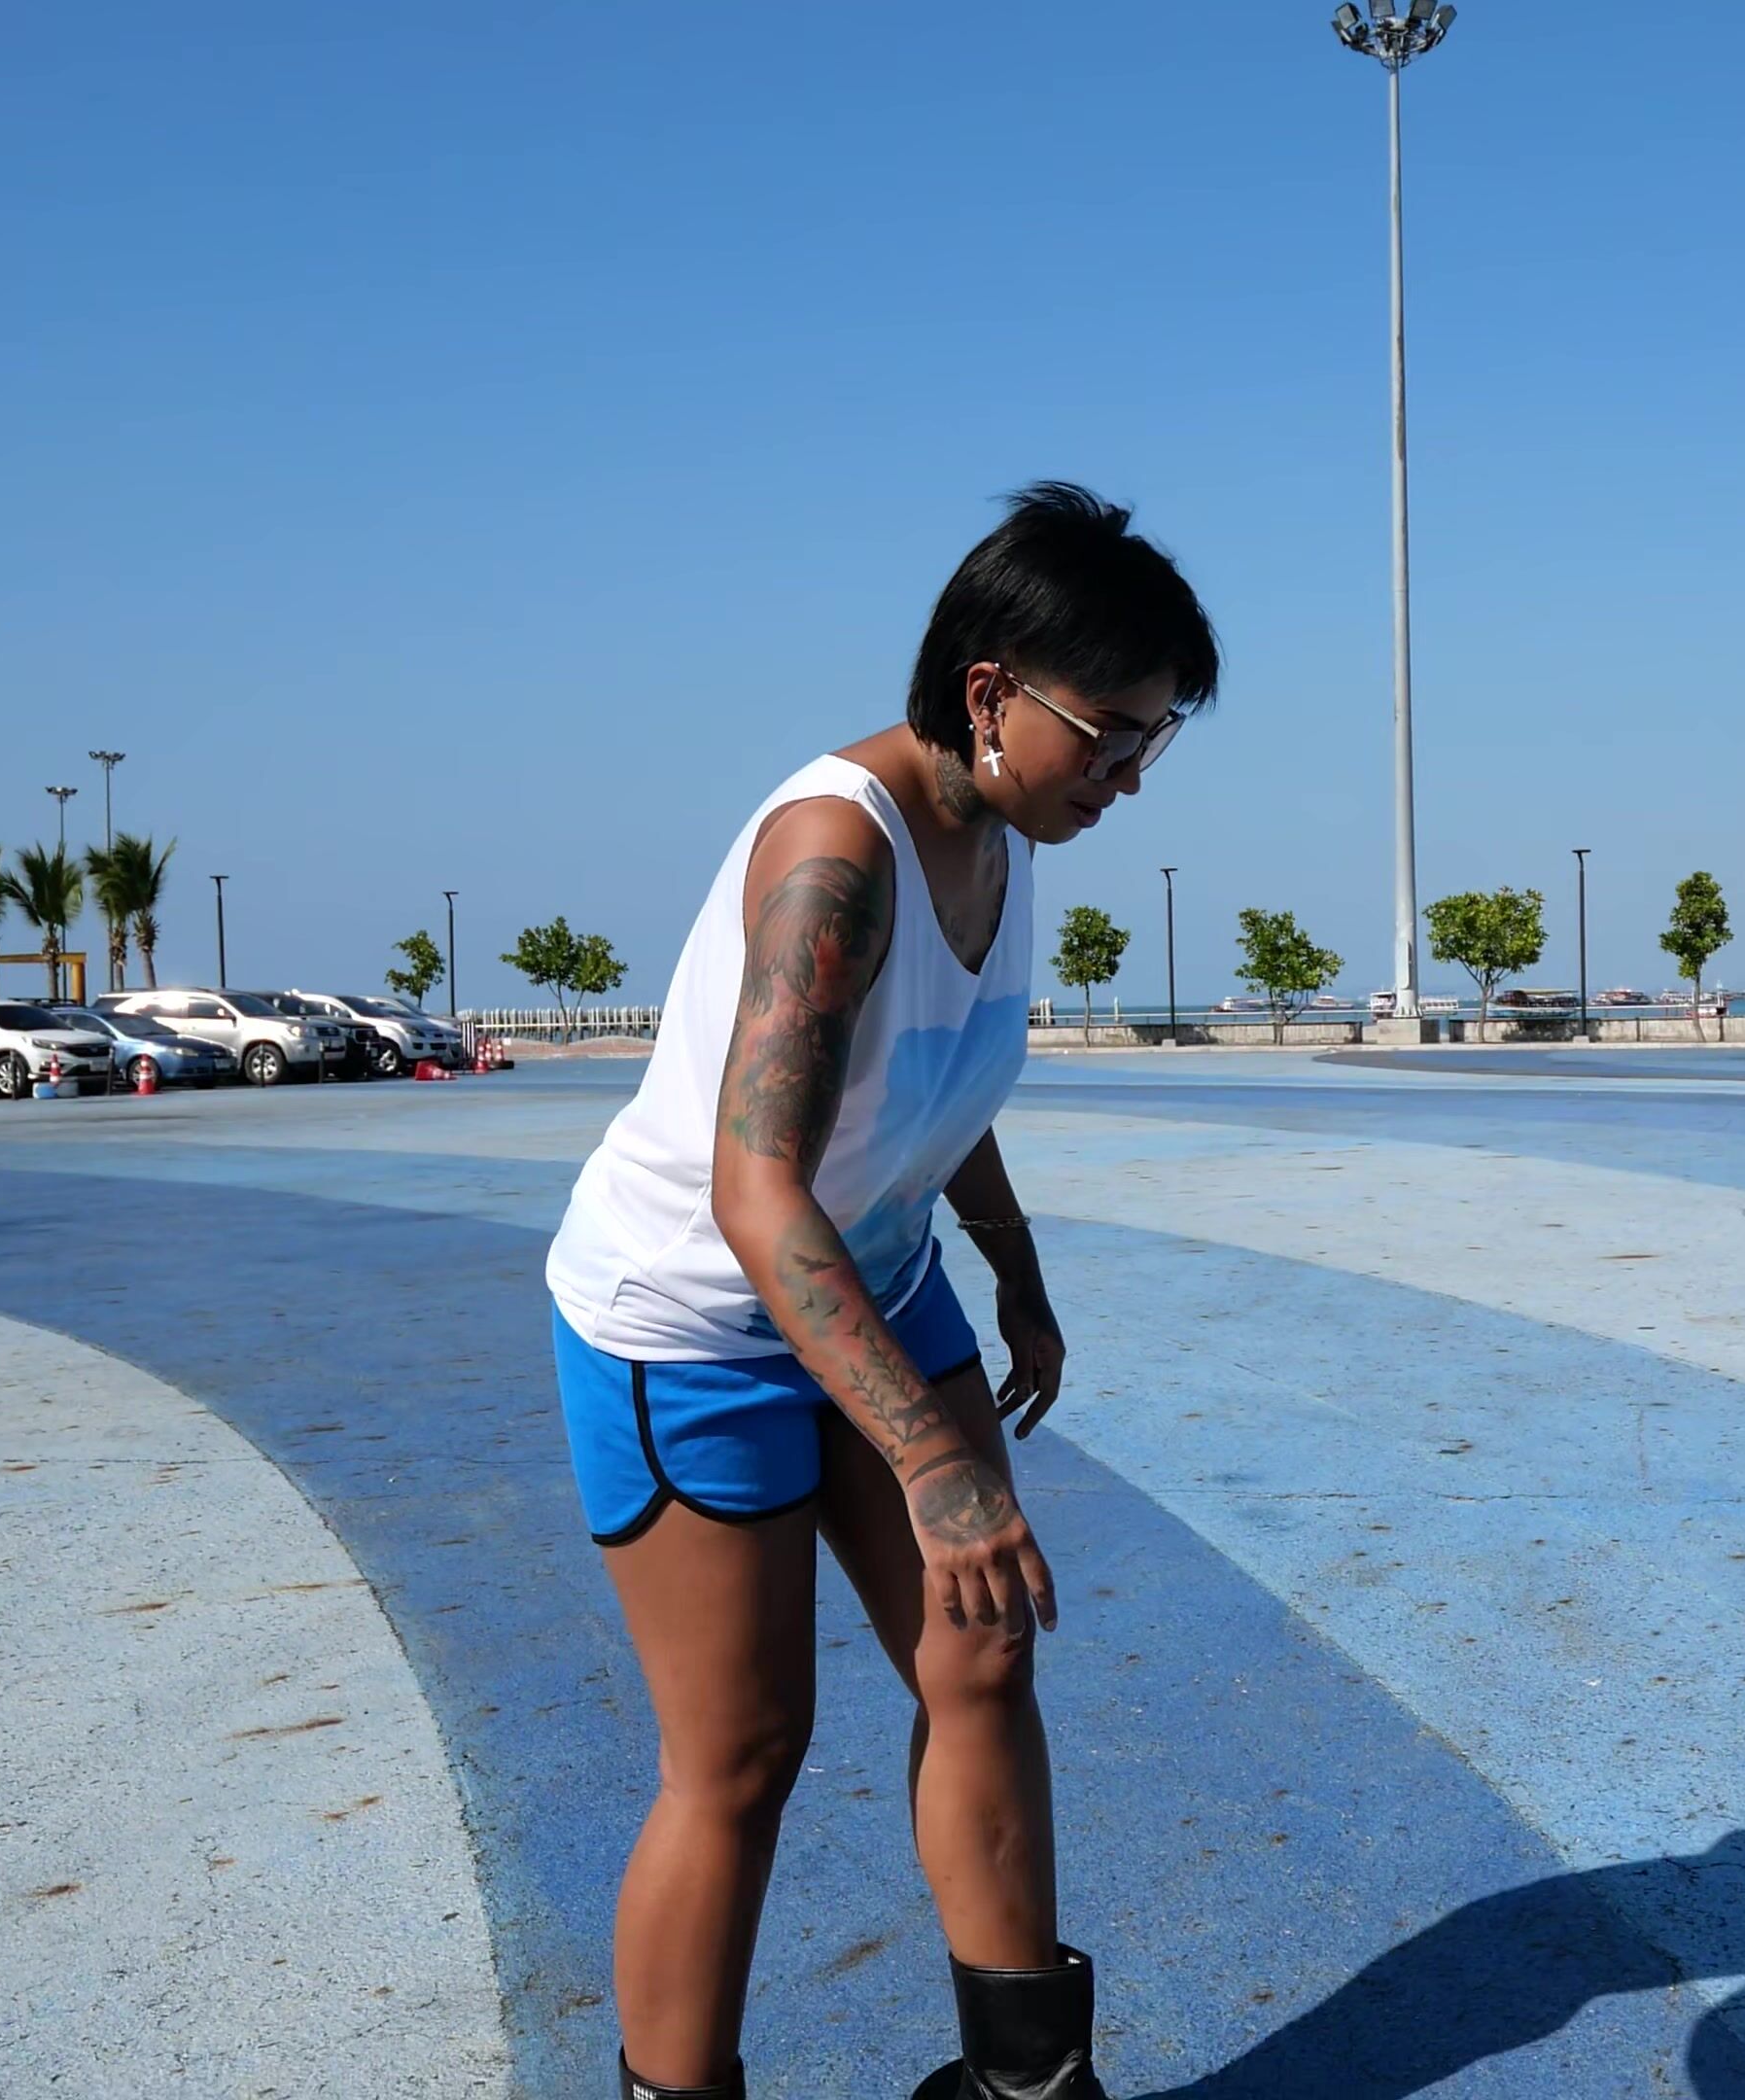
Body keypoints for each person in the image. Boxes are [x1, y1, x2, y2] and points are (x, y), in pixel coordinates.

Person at [544, 482, 1216, 2100]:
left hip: (880, 1273)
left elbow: (930, 1081)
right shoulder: (834, 855)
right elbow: (755, 1188)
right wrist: (932, 1461)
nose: (1129, 778)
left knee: (981, 1656)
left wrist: (1016, 1270)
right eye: (1112, 735)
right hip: (694, 1319)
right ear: (991, 692)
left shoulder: (1008, 829)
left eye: (1155, 741)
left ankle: (1025, 2084)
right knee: (742, 1750)